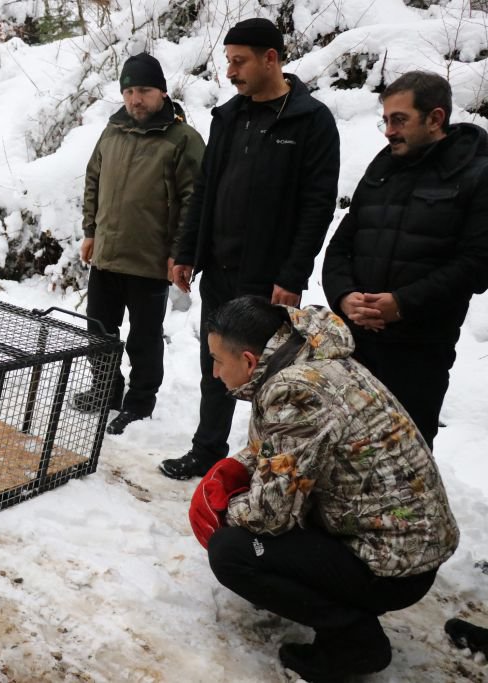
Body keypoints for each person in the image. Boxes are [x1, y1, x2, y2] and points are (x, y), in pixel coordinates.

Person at [188, 296, 458, 681]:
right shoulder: (307, 356)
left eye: (217, 360)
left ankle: (353, 642)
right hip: (406, 539)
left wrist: (223, 511)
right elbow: (288, 447)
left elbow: (269, 514)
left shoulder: (296, 391)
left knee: (232, 551)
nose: (214, 372)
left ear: (249, 360)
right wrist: (237, 467)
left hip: (394, 566)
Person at [161, 18, 340, 479]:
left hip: (268, 278)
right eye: (228, 61)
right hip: (220, 268)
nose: (230, 72)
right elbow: (205, 191)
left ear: (271, 59)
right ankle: (208, 450)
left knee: (272, 376)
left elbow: (316, 206)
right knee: (216, 365)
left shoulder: (310, 121)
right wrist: (186, 252)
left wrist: (294, 275)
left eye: (239, 62)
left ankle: (269, 464)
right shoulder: (229, 117)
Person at [322, 70, 488, 450]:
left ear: (435, 118)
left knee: (402, 458)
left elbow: (476, 265)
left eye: (399, 120)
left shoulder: (476, 176)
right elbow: (341, 245)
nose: (388, 131)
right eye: (385, 120)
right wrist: (345, 297)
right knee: (345, 450)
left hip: (419, 351)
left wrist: (402, 304)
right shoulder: (381, 169)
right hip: (356, 341)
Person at [74, 53, 204, 435]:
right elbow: (93, 179)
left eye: (144, 90)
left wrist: (179, 254)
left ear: (162, 91)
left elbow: (193, 200)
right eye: (129, 91)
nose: (135, 99)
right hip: (107, 256)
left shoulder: (184, 140)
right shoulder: (113, 131)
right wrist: (91, 231)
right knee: (98, 330)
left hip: (150, 260)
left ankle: (140, 402)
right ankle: (106, 391)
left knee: (145, 339)